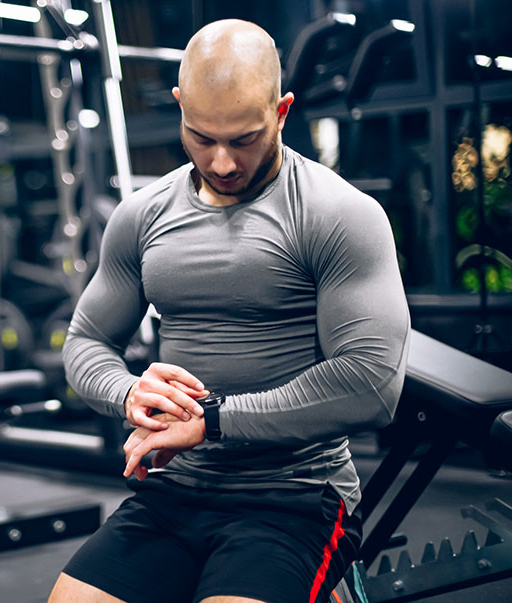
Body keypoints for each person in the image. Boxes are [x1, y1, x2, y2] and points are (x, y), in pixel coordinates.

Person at [48, 18, 410, 603]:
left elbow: (371, 383)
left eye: (243, 139)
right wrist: (129, 393)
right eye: (200, 136)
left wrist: (213, 419)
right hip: (177, 491)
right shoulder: (141, 216)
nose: (220, 163)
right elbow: (86, 341)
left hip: (294, 499)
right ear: (179, 107)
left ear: (282, 110)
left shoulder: (339, 213)